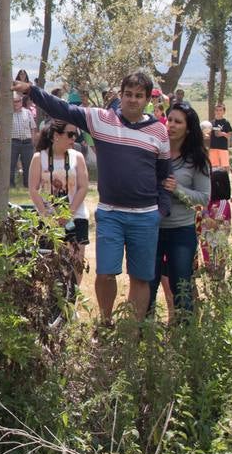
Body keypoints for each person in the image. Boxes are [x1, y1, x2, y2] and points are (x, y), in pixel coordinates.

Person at [14, 72, 169, 325]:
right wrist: (31, 90)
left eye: (139, 96)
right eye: (128, 94)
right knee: (106, 273)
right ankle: (106, 323)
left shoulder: (159, 131)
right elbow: (62, 108)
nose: (132, 100)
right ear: (121, 95)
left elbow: (164, 175)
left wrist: (160, 211)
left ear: (146, 100)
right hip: (111, 213)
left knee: (141, 278)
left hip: (145, 216)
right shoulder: (101, 119)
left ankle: (132, 329)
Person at [151, 103, 211, 320]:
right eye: (170, 120)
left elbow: (204, 199)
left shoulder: (197, 159)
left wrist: (177, 189)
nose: (172, 125)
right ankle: (144, 336)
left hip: (181, 231)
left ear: (188, 128)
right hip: (152, 228)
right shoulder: (154, 150)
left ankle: (185, 338)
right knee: (148, 286)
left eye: (178, 121)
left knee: (181, 287)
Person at [28, 119, 90, 286]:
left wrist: (68, 214)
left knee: (76, 264)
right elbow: (33, 189)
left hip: (76, 217)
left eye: (75, 135)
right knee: (50, 264)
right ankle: (54, 306)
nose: (73, 139)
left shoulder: (77, 157)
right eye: (70, 134)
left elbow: (83, 187)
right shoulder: (38, 158)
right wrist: (46, 215)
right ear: (56, 135)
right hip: (48, 220)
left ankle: (72, 304)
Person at [200, 169, 232, 274]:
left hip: (217, 245)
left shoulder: (222, 203)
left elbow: (213, 225)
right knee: (209, 271)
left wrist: (204, 210)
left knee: (217, 273)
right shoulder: (209, 202)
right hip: (207, 243)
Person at [8, 89, 39, 188]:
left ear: (21, 101)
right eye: (13, 101)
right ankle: (10, 184)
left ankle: (27, 184)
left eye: (17, 101)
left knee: (28, 165)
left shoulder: (28, 112)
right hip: (13, 142)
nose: (16, 103)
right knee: (11, 164)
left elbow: (33, 128)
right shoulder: (8, 114)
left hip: (27, 142)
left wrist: (33, 141)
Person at [208, 103, 232, 168]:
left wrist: (223, 134)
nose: (218, 112)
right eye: (217, 110)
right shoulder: (211, 123)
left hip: (223, 148)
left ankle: (226, 178)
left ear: (224, 112)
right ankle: (214, 178)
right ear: (214, 111)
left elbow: (229, 135)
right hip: (213, 147)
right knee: (213, 166)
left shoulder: (226, 122)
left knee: (225, 166)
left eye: (220, 110)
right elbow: (208, 135)